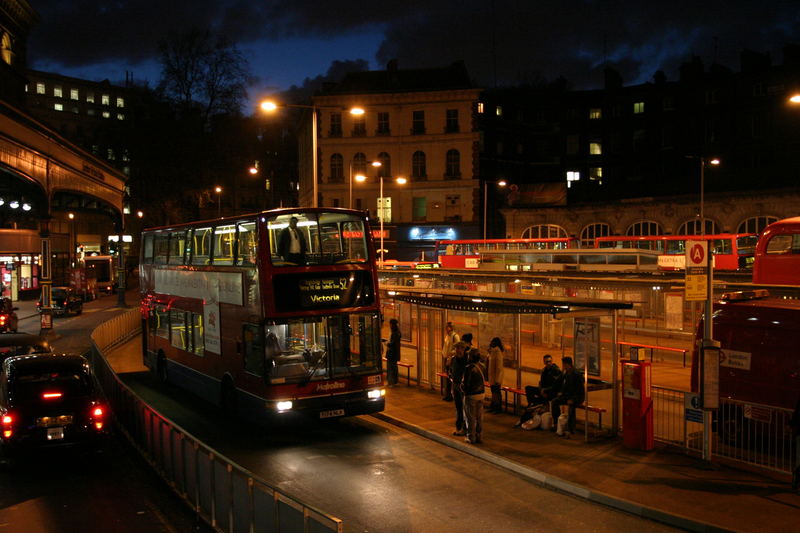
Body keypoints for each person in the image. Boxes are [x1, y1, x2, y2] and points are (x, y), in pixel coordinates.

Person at [515, 354, 562, 427]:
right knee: (528, 388)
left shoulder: (556, 370)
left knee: (533, 407)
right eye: (546, 362)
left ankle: (534, 405)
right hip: (543, 391)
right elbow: (541, 383)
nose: (548, 363)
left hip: (551, 392)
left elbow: (556, 385)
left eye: (549, 361)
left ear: (552, 361)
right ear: (544, 362)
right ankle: (532, 403)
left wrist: (545, 390)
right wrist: (541, 389)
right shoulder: (544, 370)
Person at [550, 356, 584, 438]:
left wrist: (573, 399)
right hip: (568, 396)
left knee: (571, 407)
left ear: (567, 364)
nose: (563, 366)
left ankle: (570, 430)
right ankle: (556, 423)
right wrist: (561, 392)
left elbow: (580, 390)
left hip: (577, 398)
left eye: (564, 364)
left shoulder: (576, 374)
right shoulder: (566, 373)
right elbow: (563, 384)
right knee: (554, 402)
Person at [462, 348, 486, 444]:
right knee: (479, 416)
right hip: (482, 394)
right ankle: (479, 436)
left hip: (471, 395)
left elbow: (465, 384)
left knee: (470, 417)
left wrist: (462, 389)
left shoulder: (469, 368)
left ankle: (471, 437)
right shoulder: (482, 366)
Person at [449, 341, 468, 436]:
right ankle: (459, 426)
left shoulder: (467, 361)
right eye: (457, 348)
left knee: (464, 408)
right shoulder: (453, 360)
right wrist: (451, 378)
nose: (458, 350)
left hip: (463, 388)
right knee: (458, 408)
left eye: (460, 348)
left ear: (464, 350)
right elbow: (450, 371)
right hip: (455, 386)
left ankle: (465, 428)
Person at [441, 322, 460, 401]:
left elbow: (457, 348)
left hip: (451, 359)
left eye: (448, 327)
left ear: (452, 327)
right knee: (447, 376)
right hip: (446, 358)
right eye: (446, 327)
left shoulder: (455, 336)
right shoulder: (447, 336)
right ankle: (447, 394)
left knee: (451, 377)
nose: (446, 328)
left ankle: (451, 395)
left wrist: (450, 354)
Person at [487, 337, 505, 413]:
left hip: (496, 377)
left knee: (496, 392)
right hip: (492, 376)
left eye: (493, 342)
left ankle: (497, 408)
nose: (491, 343)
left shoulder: (497, 352)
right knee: (493, 392)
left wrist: (498, 379)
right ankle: (493, 406)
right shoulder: (492, 351)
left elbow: (499, 367)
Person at [385, 319, 401, 386]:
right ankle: (394, 381)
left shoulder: (394, 333)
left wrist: (387, 344)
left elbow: (392, 343)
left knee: (390, 368)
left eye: (390, 324)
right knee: (394, 368)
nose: (390, 325)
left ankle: (391, 382)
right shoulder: (397, 332)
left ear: (392, 324)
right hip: (395, 354)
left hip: (391, 354)